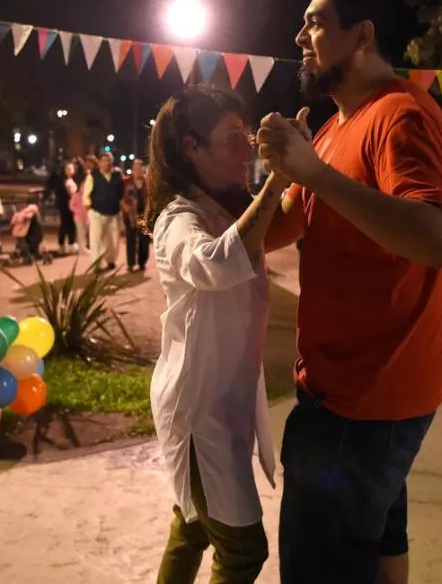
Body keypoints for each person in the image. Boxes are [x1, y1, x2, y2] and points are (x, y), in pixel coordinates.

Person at [257, 0, 442, 584]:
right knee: (375, 546)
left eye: (317, 22)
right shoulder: (335, 126)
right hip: (353, 389)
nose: (301, 36)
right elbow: (281, 229)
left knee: (322, 566)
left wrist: (313, 174)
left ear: (362, 35)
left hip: (366, 401)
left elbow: (437, 237)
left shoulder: (401, 115)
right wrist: (279, 173)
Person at [147, 85, 286, 584]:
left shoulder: (223, 206)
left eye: (246, 134)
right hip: (198, 412)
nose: (245, 147)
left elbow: (276, 224)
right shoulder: (178, 218)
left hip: (217, 400)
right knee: (244, 549)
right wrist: (278, 183)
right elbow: (216, 265)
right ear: (191, 147)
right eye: (231, 138)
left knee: (191, 528)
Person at [82, 151, 124, 270]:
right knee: (96, 241)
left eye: (109, 161)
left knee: (113, 241)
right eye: (104, 161)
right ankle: (97, 265)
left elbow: (122, 193)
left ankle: (111, 260)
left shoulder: (117, 175)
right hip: (97, 213)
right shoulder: (92, 175)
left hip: (114, 213)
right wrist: (89, 211)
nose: (107, 163)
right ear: (99, 162)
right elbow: (86, 195)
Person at [121, 158, 150, 272]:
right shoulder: (126, 182)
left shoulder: (147, 182)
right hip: (130, 215)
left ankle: (142, 263)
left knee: (144, 240)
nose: (137, 171)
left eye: (139, 169)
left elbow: (151, 198)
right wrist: (125, 207)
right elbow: (121, 197)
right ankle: (131, 263)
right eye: (135, 168)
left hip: (144, 215)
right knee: (130, 239)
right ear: (132, 170)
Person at [65, 161, 88, 254]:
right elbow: (71, 205)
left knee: (85, 232)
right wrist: (78, 211)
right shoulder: (76, 195)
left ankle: (84, 247)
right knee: (80, 233)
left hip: (85, 217)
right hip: (78, 217)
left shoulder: (86, 196)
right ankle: (82, 248)